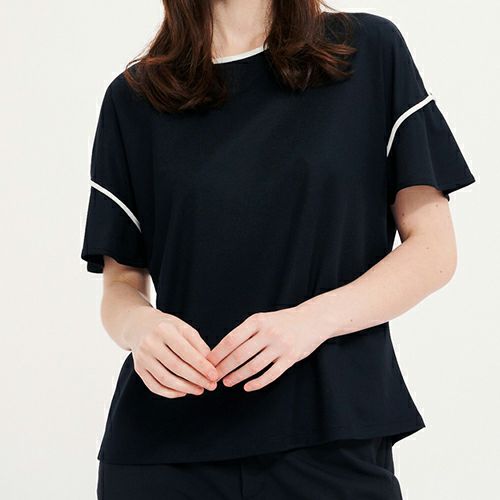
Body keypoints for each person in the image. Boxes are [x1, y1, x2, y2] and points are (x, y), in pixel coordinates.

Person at [80, 1, 476, 498]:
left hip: (330, 434)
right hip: (164, 449)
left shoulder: (366, 52)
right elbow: (120, 283)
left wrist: (310, 322)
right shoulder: (134, 98)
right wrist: (140, 328)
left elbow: (434, 250)